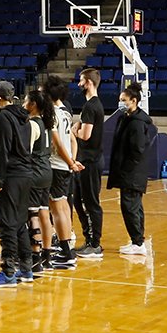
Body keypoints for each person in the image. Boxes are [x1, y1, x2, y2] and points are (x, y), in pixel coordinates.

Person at [0, 80, 33, 288]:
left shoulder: (3, 116)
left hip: (10, 176)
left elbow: (2, 150)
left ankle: (8, 272)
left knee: (6, 224)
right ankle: (27, 268)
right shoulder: (25, 117)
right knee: (20, 222)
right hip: (25, 174)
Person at [43, 74, 83, 270]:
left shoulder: (52, 113)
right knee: (65, 207)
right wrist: (72, 161)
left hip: (57, 165)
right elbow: (72, 140)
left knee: (57, 209)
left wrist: (69, 162)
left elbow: (58, 142)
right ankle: (66, 248)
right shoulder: (65, 112)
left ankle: (67, 252)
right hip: (65, 165)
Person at [108, 81, 152, 256]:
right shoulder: (127, 118)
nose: (121, 103)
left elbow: (137, 150)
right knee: (135, 206)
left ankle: (137, 242)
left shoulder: (137, 123)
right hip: (130, 172)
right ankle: (137, 240)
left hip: (132, 173)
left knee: (130, 207)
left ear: (133, 101)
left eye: (124, 100)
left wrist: (126, 169)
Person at [71, 66, 105, 258]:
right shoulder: (93, 105)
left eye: (81, 80)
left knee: (90, 202)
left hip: (90, 161)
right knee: (79, 200)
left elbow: (85, 134)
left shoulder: (91, 106)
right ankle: (89, 240)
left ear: (89, 83)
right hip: (86, 160)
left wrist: (75, 130)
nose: (79, 84)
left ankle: (95, 244)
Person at [24, 87, 56, 274]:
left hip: (35, 172)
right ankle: (47, 255)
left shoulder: (33, 125)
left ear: (33, 104)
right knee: (45, 213)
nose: (23, 104)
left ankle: (35, 258)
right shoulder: (47, 124)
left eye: (26, 100)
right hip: (47, 171)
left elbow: (25, 152)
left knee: (33, 215)